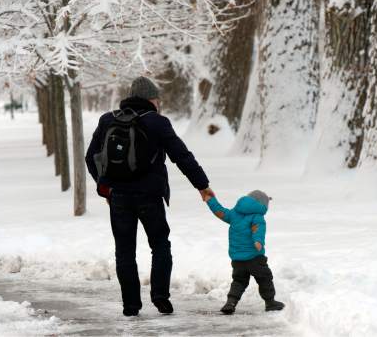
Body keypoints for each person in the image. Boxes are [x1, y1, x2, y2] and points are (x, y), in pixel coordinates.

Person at [85, 76, 214, 317]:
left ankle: (131, 306)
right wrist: (202, 185)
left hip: (119, 197)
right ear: (151, 99)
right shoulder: (158, 122)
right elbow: (181, 156)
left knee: (124, 251)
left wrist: (105, 188)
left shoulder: (107, 120)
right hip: (150, 197)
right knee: (160, 245)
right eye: (157, 99)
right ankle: (160, 297)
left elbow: (90, 157)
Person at [203, 189, 285, 314]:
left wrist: (210, 200)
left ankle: (230, 303)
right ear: (261, 204)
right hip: (254, 257)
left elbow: (220, 212)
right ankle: (270, 302)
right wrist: (258, 241)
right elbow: (258, 229)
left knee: (239, 281)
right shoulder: (257, 216)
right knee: (264, 278)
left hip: (238, 259)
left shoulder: (234, 214)